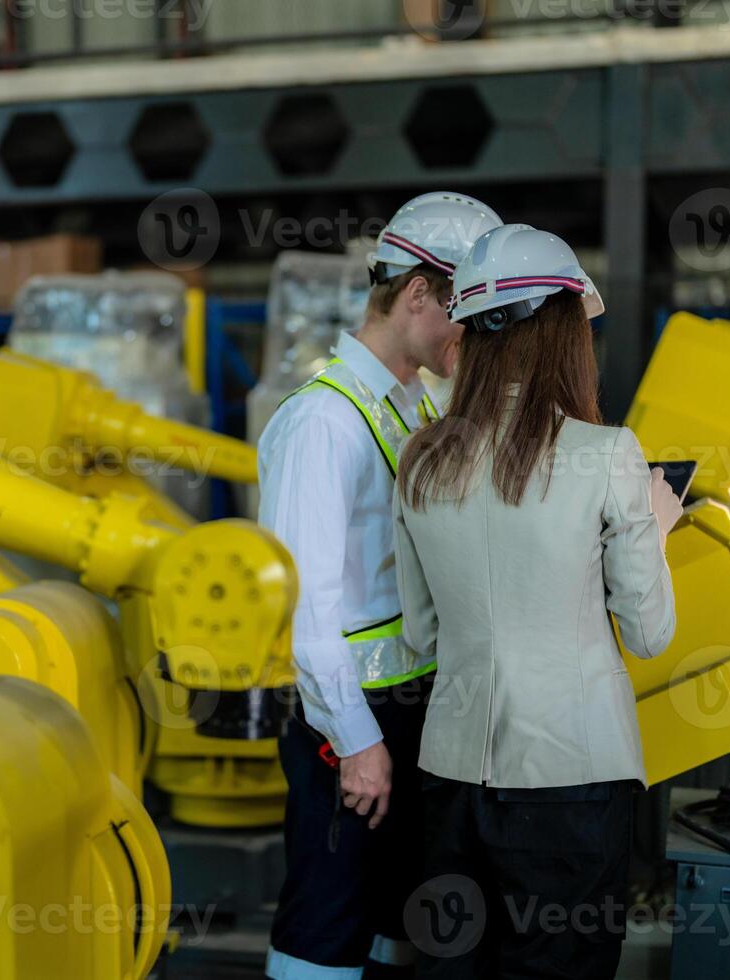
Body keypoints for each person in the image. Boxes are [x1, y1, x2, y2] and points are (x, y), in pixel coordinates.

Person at [391, 224, 683, 979]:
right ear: (563, 331)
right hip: (571, 784)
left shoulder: (420, 457)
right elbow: (650, 634)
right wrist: (653, 522)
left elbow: (421, 634)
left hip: (450, 778)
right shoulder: (605, 454)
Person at [258, 192, 504, 979]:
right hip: (348, 723)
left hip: (407, 710)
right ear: (418, 294)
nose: (471, 333)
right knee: (326, 919)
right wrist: (358, 742)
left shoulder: (410, 407)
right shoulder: (321, 423)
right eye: (463, 311)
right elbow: (307, 608)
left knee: (391, 921)